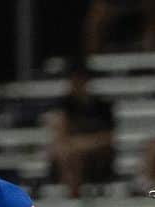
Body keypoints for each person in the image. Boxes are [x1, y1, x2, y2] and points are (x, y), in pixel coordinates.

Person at [47, 63, 115, 197]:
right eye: (73, 79)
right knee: (67, 154)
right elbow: (60, 136)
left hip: (97, 156)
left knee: (71, 153)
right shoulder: (63, 106)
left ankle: (73, 197)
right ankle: (73, 196)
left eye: (80, 79)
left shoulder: (102, 107)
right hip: (71, 155)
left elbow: (109, 138)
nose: (76, 83)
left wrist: (80, 144)